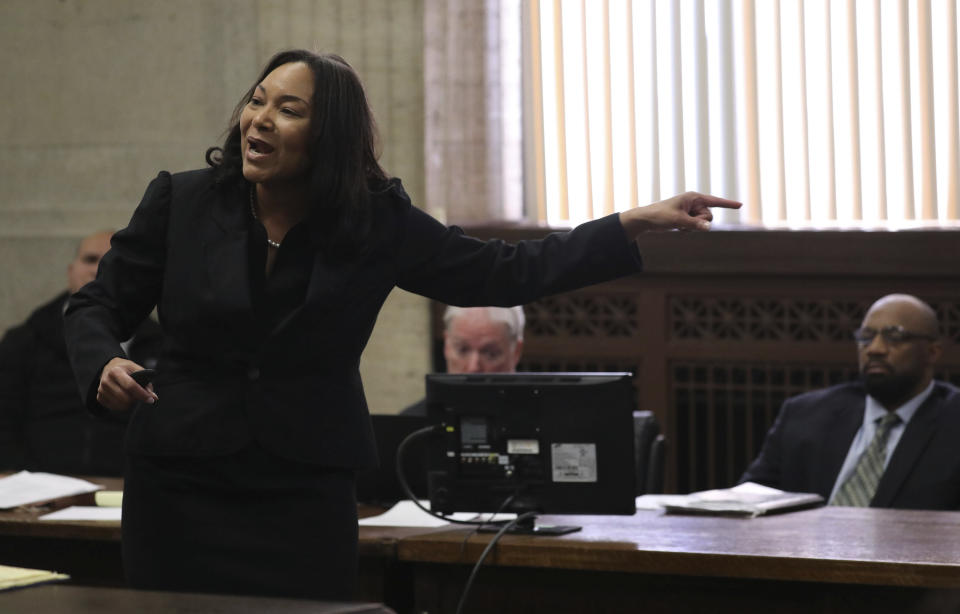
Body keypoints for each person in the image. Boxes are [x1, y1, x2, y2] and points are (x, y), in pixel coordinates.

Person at [63, 49, 740, 600]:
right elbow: (96, 304)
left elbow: (504, 272)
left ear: (329, 136)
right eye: (257, 99)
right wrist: (101, 362)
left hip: (303, 488)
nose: (259, 119)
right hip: (181, 485)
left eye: (287, 108)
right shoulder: (182, 201)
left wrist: (629, 224)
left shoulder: (374, 223)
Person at [740, 293, 960, 510]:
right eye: (866, 336)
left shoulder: (953, 419)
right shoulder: (804, 414)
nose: (875, 349)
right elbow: (750, 501)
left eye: (894, 336)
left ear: (932, 352)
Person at [0, 231, 162, 476]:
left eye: (110, 260)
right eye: (90, 260)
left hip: (130, 487)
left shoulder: (162, 345)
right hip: (39, 487)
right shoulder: (25, 342)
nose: (98, 270)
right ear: (70, 271)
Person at [401, 305, 525, 415]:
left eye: (490, 354)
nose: (473, 367)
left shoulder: (542, 418)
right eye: (463, 350)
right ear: (447, 345)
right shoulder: (413, 424)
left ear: (516, 352)